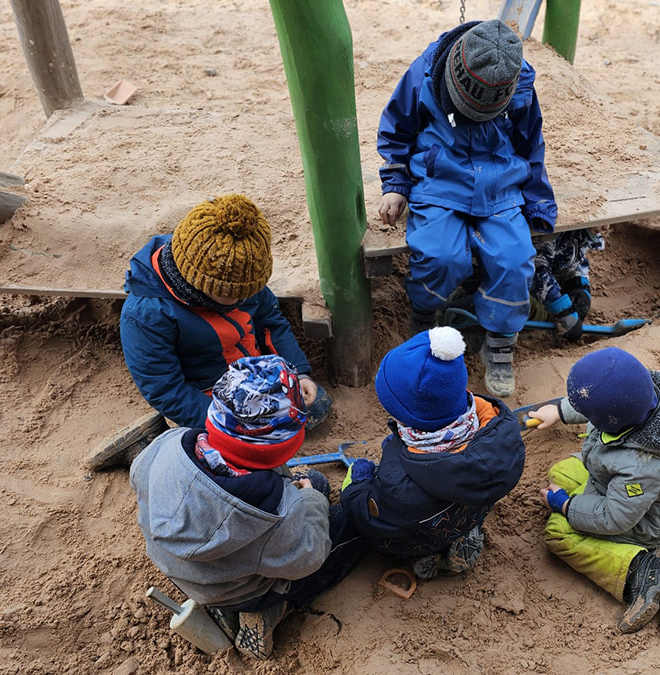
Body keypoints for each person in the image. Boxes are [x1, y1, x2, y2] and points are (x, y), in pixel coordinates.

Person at [130, 355, 363, 660]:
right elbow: (309, 557)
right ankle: (271, 610)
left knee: (311, 486)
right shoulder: (275, 514)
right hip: (241, 590)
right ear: (286, 446)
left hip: (182, 571)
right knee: (345, 522)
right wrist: (311, 500)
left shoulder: (168, 443)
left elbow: (139, 479)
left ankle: (230, 604)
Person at [377, 19, 557, 397]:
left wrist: (539, 199)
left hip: (500, 185)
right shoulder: (426, 70)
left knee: (514, 259)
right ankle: (424, 318)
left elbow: (530, 143)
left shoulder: (519, 83)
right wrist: (395, 184)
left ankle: (501, 340)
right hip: (439, 180)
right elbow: (396, 128)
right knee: (439, 255)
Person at [528, 347, 660, 633]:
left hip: (643, 519)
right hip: (622, 479)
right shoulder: (650, 395)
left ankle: (642, 572)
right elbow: (606, 399)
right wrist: (559, 410)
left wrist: (566, 506)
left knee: (559, 534)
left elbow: (613, 518)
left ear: (611, 420)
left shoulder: (645, 467)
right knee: (561, 472)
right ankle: (581, 506)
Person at [120, 194, 332, 430]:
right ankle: (153, 439)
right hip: (209, 390)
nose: (243, 298)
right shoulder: (146, 314)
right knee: (249, 440)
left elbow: (270, 320)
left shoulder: (239, 269)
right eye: (232, 294)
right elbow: (165, 389)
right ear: (198, 282)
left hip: (253, 371)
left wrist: (298, 372)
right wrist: (224, 423)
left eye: (249, 289)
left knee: (315, 405)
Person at [342, 326, 525, 579]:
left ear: (409, 416)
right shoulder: (500, 428)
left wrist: (358, 484)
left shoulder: (399, 483)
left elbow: (375, 519)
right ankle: (465, 534)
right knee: (459, 512)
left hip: (425, 531)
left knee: (381, 538)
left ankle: (425, 555)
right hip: (469, 512)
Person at [531, 229, 604, 341]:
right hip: (518, 284)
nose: (606, 227)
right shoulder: (547, 236)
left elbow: (577, 259)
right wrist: (564, 311)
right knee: (538, 313)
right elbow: (536, 271)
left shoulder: (580, 231)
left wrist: (580, 286)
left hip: (548, 275)